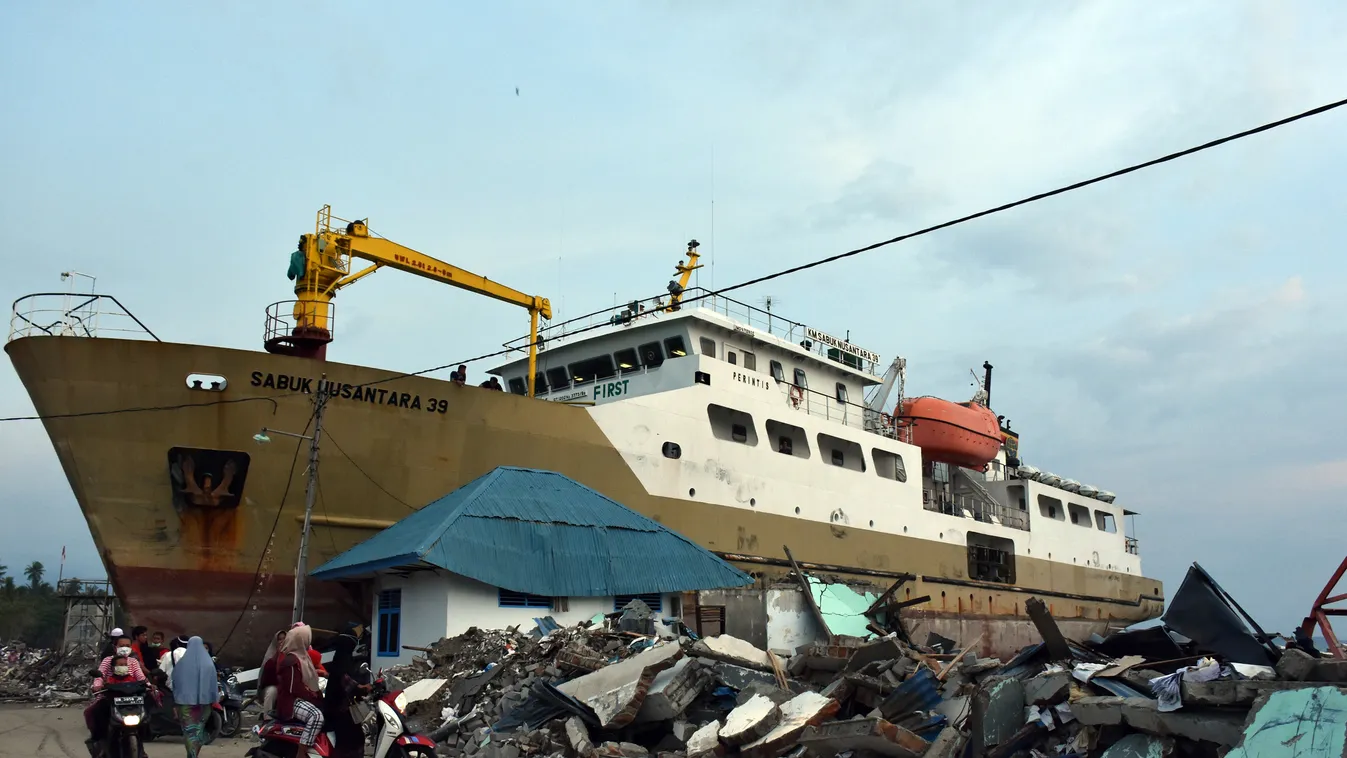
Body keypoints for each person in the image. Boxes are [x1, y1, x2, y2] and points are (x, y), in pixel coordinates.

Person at [321, 625, 371, 758]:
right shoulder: (342, 663)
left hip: (340, 708)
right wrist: (364, 688)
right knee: (352, 738)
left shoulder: (341, 659)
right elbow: (348, 683)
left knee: (357, 735)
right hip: (337, 711)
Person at [276, 624, 324, 747]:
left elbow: (312, 682)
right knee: (317, 716)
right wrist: (312, 696)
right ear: (301, 639)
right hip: (292, 701)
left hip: (302, 697)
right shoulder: (291, 660)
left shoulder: (303, 657)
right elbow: (294, 688)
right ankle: (302, 751)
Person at [171, 637, 219, 758]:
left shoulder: (181, 664)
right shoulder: (209, 664)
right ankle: (193, 754)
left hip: (185, 704)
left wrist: (176, 700)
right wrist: (214, 699)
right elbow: (213, 684)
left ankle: (191, 755)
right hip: (204, 704)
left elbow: (175, 683)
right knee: (199, 730)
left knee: (189, 731)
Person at [257, 629, 288, 716]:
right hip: (271, 686)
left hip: (288, 685)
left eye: (284, 639)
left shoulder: (291, 653)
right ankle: (267, 718)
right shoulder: (271, 656)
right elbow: (265, 678)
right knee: (272, 691)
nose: (281, 641)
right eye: (279, 639)